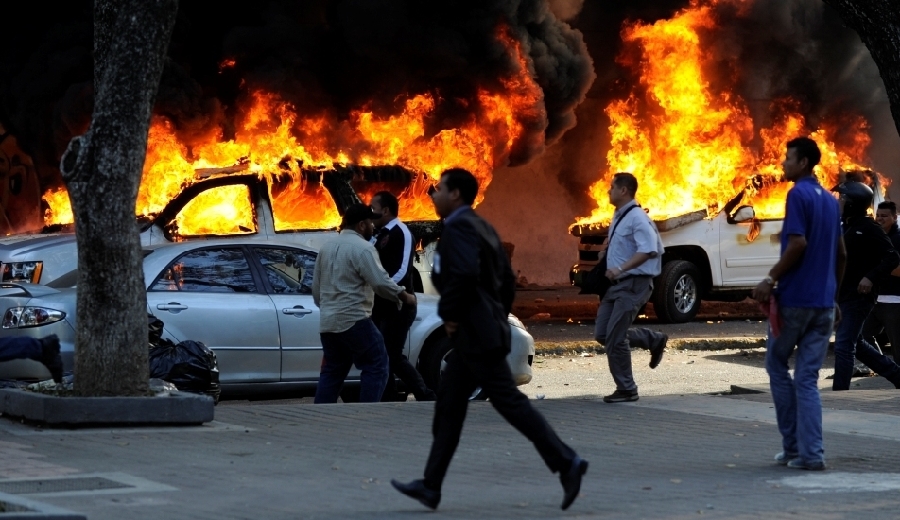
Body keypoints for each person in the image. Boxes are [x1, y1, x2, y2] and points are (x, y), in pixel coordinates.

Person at [391, 168, 587, 511]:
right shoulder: (482, 226)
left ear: (455, 195)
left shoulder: (461, 228)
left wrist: (451, 314)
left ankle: (566, 462)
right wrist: (495, 315)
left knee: (507, 403)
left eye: (438, 189)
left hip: (474, 334)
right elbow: (507, 282)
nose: (433, 194)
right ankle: (431, 485)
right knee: (450, 406)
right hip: (481, 331)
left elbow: (463, 277)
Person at [752, 136, 845, 471]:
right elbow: (842, 254)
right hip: (823, 305)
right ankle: (812, 454)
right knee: (807, 378)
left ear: (803, 163)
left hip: (794, 301)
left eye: (788, 158)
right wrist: (833, 297)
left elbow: (798, 244)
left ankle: (793, 447)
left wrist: (770, 278)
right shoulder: (832, 202)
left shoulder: (798, 194)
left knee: (777, 366)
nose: (783, 163)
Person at [311, 203, 417, 404]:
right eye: (370, 222)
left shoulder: (325, 248)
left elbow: (317, 292)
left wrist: (329, 308)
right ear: (361, 225)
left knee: (332, 372)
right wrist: (405, 297)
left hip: (328, 324)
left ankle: (320, 414)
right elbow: (380, 282)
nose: (373, 226)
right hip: (354, 320)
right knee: (377, 365)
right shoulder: (364, 248)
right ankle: (367, 411)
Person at [592, 172, 667, 403]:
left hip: (633, 284)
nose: (608, 190)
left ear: (623, 190)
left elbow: (649, 250)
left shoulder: (637, 218)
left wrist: (620, 268)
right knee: (603, 334)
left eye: (612, 187)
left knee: (615, 337)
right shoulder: (620, 215)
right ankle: (653, 340)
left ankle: (627, 389)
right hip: (616, 286)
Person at [830, 182, 900, 391]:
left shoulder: (869, 228)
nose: (839, 201)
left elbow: (892, 257)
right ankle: (897, 375)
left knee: (843, 345)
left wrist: (870, 277)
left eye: (843, 198)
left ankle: (839, 394)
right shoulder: (844, 226)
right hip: (841, 296)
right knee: (856, 344)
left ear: (853, 203)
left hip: (859, 298)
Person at [369, 191, 436, 402]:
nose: (371, 212)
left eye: (374, 208)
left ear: (386, 210)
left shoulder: (402, 233)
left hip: (399, 304)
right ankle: (388, 397)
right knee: (383, 354)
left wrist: (387, 288)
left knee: (392, 354)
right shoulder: (377, 234)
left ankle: (424, 393)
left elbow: (402, 271)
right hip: (380, 302)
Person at [862, 201, 900, 362]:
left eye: (884, 216)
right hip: (874, 299)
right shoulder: (875, 237)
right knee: (861, 335)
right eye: (878, 215)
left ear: (895, 217)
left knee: (898, 346)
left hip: (894, 300)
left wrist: (878, 266)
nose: (880, 219)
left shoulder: (898, 239)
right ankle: (883, 366)